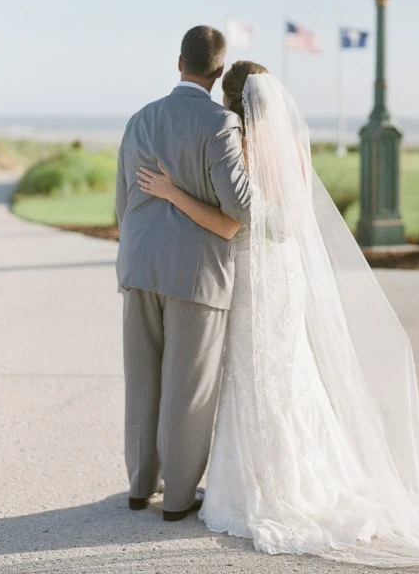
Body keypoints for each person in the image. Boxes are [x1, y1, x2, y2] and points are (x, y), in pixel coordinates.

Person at [136, 62, 419, 571]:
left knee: (256, 374)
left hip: (257, 278)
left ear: (233, 102)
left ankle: (265, 484)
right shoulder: (289, 150)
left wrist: (173, 193)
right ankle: (305, 472)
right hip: (284, 276)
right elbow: (287, 220)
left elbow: (230, 225)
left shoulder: (239, 148)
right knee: (287, 373)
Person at [115, 26, 250, 521]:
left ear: (179, 63)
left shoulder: (140, 119)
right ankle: (177, 500)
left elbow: (122, 199)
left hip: (140, 263)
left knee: (142, 380)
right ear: (218, 72)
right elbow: (242, 210)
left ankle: (138, 486)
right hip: (196, 273)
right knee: (186, 389)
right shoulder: (220, 125)